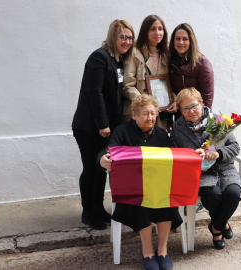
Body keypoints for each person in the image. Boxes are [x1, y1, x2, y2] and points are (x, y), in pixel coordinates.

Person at [99, 95, 184, 270]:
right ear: (134, 115)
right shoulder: (122, 132)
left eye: (153, 114)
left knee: (167, 201)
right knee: (142, 202)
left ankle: (162, 251)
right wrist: (102, 160)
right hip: (133, 189)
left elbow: (174, 156)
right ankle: (147, 252)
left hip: (157, 187)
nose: (150, 118)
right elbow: (108, 152)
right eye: (145, 114)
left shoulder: (161, 134)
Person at [72, 19, 134, 230]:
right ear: (112, 37)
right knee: (91, 168)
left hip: (106, 128)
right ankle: (88, 212)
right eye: (122, 37)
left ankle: (98, 209)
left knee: (101, 169)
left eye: (129, 37)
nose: (127, 41)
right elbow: (95, 92)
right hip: (90, 127)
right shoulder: (99, 58)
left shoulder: (117, 61)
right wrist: (103, 124)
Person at [170, 87, 241, 250]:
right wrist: (192, 156)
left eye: (194, 105)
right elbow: (174, 153)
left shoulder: (218, 120)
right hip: (199, 173)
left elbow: (235, 147)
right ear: (180, 110)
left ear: (202, 103)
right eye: (185, 108)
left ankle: (216, 227)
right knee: (212, 195)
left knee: (233, 194)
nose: (191, 111)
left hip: (224, 169)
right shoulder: (178, 127)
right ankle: (222, 226)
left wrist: (217, 152)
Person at [122, 15, 174, 128]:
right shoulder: (134, 53)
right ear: (145, 31)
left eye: (160, 29)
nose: (157, 33)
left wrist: (174, 100)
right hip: (139, 114)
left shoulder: (166, 54)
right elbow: (127, 85)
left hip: (160, 116)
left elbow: (170, 86)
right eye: (153, 29)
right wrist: (145, 103)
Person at [168, 23, 214, 125]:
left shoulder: (202, 62)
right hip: (179, 118)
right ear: (173, 41)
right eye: (177, 38)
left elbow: (207, 98)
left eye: (185, 39)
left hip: (198, 118)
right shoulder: (169, 62)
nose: (181, 42)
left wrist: (199, 120)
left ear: (191, 41)